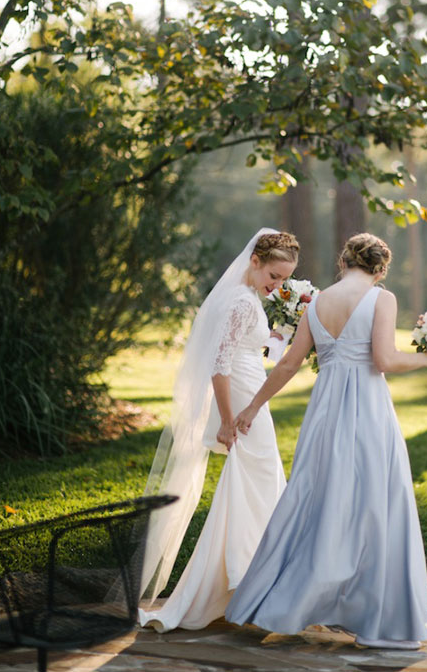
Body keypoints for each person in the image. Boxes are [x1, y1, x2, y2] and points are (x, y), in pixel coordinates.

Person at [226, 233, 427, 649]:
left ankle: (281, 601)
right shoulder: (382, 299)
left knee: (316, 501)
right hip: (368, 411)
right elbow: (384, 360)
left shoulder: (318, 302)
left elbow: (290, 363)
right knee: (375, 505)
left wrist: (253, 407)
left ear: (343, 261)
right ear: (380, 268)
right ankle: (374, 614)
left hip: (325, 414)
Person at [138, 229, 299, 632]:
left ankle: (245, 582)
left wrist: (273, 338)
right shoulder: (242, 303)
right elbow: (218, 365)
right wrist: (229, 420)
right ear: (256, 260)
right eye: (274, 275)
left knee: (252, 486)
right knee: (259, 483)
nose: (277, 285)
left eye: (283, 280)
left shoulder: (243, 299)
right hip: (243, 407)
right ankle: (253, 582)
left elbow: (239, 348)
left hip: (249, 399)